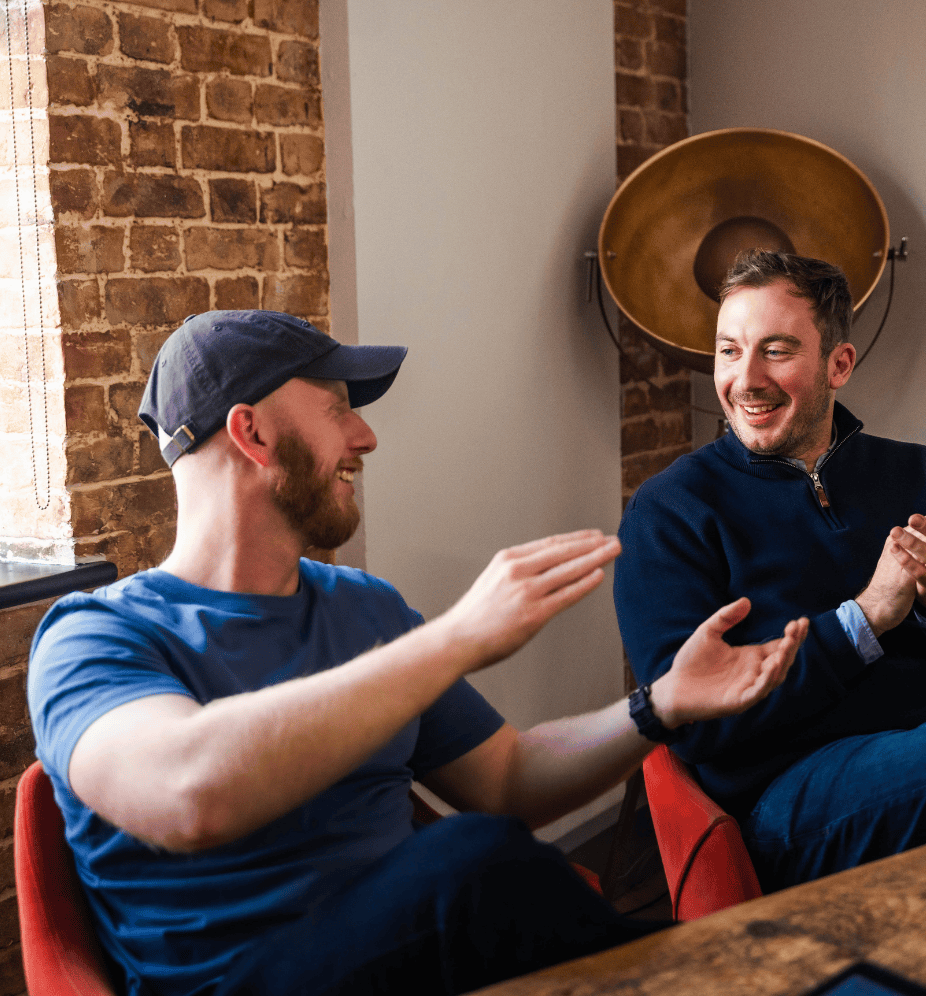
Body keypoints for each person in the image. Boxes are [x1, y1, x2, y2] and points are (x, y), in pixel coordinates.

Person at [27, 310, 808, 996]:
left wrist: (659, 703)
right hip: (241, 977)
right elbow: (188, 793)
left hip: (419, 955)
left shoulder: (362, 608)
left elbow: (507, 779)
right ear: (252, 433)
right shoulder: (94, 636)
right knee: (468, 864)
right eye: (337, 409)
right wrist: (456, 637)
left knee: (484, 867)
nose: (365, 437)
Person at [614, 249, 926, 892]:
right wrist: (866, 618)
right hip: (786, 802)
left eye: (775, 350)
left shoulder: (920, 475)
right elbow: (689, 724)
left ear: (839, 364)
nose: (745, 379)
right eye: (728, 351)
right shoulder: (670, 511)